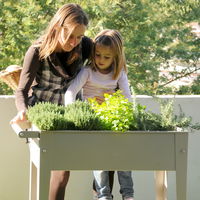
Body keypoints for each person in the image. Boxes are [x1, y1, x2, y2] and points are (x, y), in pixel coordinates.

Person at [10, 3, 93, 200]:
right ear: (58, 27)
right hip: (43, 115)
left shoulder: (86, 46)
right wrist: (23, 111)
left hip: (71, 115)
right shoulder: (37, 51)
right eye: (71, 35)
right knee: (50, 166)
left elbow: (96, 71)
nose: (75, 42)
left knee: (63, 173)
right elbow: (22, 89)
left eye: (79, 36)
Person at [64, 29, 134, 200]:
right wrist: (73, 113)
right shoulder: (88, 71)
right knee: (100, 160)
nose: (101, 60)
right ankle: (103, 195)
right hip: (93, 120)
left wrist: (112, 103)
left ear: (116, 57)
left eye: (107, 57)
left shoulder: (119, 74)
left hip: (112, 119)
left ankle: (128, 194)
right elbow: (70, 92)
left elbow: (128, 99)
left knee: (123, 158)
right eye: (98, 55)